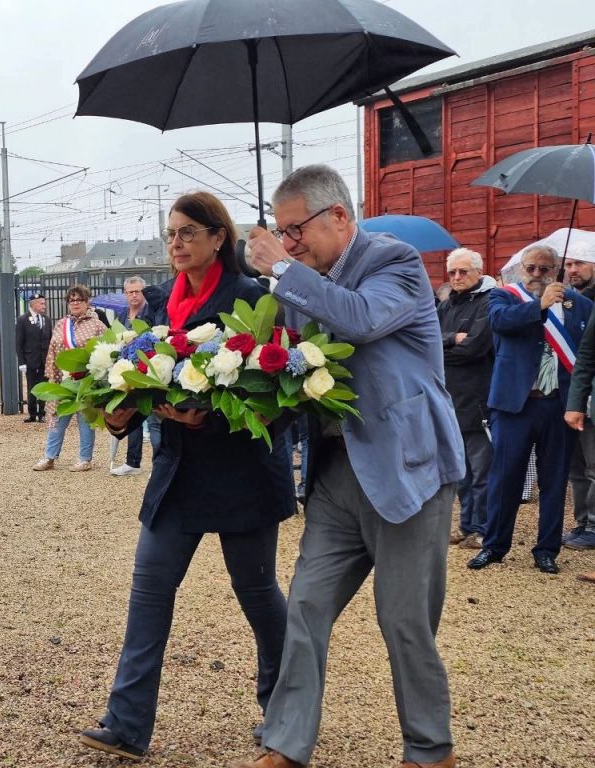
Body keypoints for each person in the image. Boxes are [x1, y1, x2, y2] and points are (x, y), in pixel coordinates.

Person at [243, 165, 465, 768]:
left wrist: (282, 270)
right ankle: (285, 745)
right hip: (337, 474)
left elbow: (361, 318)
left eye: (296, 231)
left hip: (407, 471)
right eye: (281, 234)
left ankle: (429, 751)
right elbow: (290, 375)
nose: (288, 244)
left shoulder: (393, 263)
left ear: (338, 216)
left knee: (404, 622)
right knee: (307, 608)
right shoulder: (299, 282)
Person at [79, 192, 294, 761]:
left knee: (258, 595)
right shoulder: (156, 311)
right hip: (176, 473)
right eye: (171, 233)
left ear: (219, 237)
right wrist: (120, 415)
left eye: (187, 233)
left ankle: (285, 711)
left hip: (242, 474)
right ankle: (126, 724)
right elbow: (138, 388)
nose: (175, 243)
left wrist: (214, 414)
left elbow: (282, 401)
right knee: (148, 591)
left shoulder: (252, 299)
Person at [467, 245, 592, 575]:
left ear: (557, 270)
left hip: (559, 405)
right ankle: (494, 545)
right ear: (522, 268)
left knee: (554, 481)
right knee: (505, 477)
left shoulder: (582, 306)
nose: (537, 274)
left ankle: (547, 549)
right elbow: (500, 324)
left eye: (545, 269)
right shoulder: (505, 297)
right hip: (514, 404)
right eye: (531, 268)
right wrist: (539, 306)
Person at [437, 248, 496, 550]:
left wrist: (448, 346)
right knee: (461, 472)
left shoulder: (489, 302)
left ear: (478, 272)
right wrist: (451, 339)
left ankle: (484, 529)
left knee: (482, 470)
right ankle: (466, 524)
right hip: (450, 399)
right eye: (452, 273)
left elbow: (474, 347)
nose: (457, 277)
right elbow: (427, 340)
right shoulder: (447, 304)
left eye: (463, 272)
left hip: (477, 399)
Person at [32, 285, 106, 472]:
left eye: (78, 300)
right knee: (58, 418)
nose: (74, 303)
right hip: (63, 380)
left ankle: (84, 458)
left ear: (87, 302)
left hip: (85, 380)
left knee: (85, 421)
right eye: (71, 300)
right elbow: (52, 350)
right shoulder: (61, 324)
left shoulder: (97, 324)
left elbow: (106, 352)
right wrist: (52, 376)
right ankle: (49, 456)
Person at [562, 255, 595, 548]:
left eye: (580, 264)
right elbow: (585, 356)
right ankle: (584, 522)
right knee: (581, 466)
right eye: (569, 265)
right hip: (582, 396)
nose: (572, 270)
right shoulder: (568, 301)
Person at [110, 276, 153, 476]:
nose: (134, 295)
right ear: (125, 294)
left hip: (150, 368)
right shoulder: (121, 315)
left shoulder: (152, 312)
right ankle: (132, 462)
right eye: (130, 292)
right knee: (131, 415)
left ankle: (160, 464)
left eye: (137, 291)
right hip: (127, 369)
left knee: (156, 419)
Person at [15, 292, 52, 423]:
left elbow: (50, 340)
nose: (44, 306)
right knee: (32, 386)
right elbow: (19, 343)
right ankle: (32, 413)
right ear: (34, 304)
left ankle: (42, 413)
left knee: (44, 386)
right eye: (41, 303)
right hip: (30, 359)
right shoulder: (23, 320)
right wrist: (21, 362)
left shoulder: (46, 319)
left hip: (44, 360)